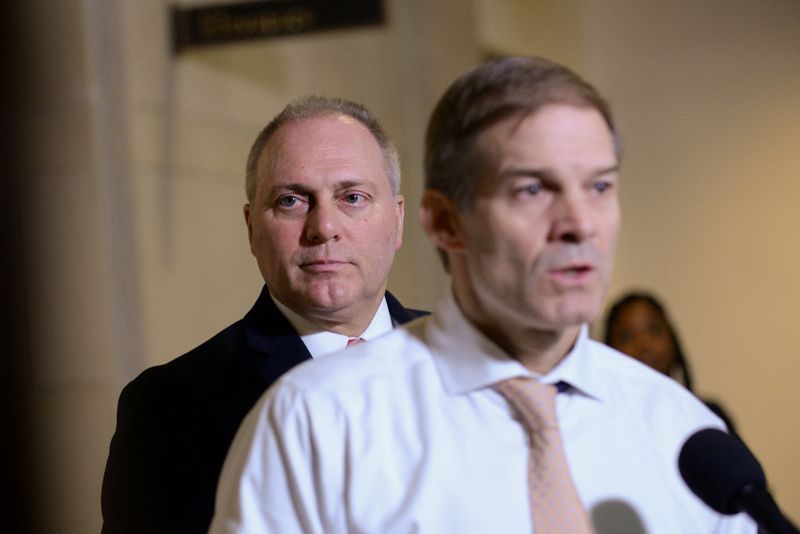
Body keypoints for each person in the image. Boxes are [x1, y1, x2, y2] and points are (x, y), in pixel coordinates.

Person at [210, 57, 755, 533]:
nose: (578, 224)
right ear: (445, 222)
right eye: (533, 189)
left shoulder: (682, 431)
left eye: (599, 187)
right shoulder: (318, 421)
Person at [100, 96, 427, 534]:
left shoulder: (477, 360)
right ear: (251, 226)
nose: (323, 227)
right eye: (292, 200)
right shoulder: (170, 409)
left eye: (352, 197)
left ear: (398, 219)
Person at [603, 290, 738, 433]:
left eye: (654, 331)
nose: (644, 345)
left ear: (673, 343)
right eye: (628, 337)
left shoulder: (708, 417)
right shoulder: (601, 424)